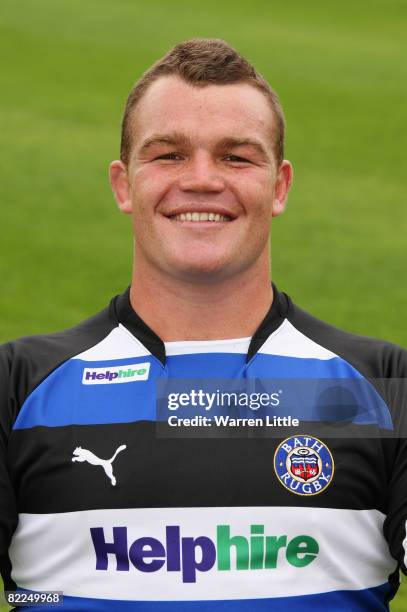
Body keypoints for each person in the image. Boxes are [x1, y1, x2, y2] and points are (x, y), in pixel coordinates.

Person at [0, 38, 406, 612]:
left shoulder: (387, 386)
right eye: (167, 154)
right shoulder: (16, 385)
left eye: (236, 157)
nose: (201, 179)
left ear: (280, 185)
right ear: (123, 184)